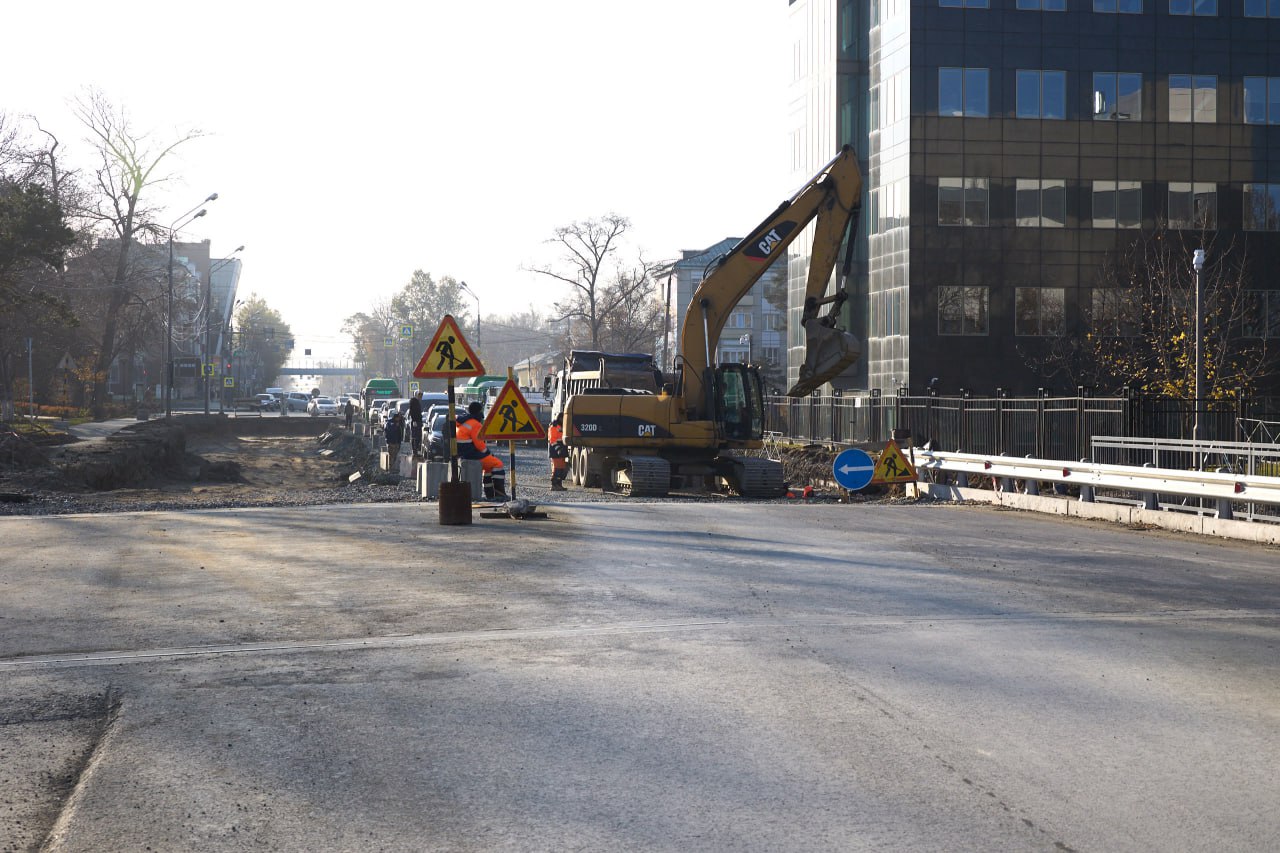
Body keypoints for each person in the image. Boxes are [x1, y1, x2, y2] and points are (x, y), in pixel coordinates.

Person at [454, 401, 506, 499]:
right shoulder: (475, 424)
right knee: (497, 464)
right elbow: (480, 445)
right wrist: (489, 453)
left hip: (464, 454)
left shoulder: (463, 422)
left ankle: (490, 495)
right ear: (478, 412)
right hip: (471, 454)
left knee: (488, 468)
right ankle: (499, 494)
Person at [547, 420, 568, 491]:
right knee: (557, 468)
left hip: (560, 450)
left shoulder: (560, 427)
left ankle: (558, 485)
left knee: (561, 468)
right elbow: (552, 440)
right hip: (556, 451)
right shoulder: (554, 427)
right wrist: (558, 448)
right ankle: (554, 485)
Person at [408, 390, 424, 457]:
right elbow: (413, 412)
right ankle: (414, 450)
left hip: (418, 421)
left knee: (418, 436)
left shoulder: (417, 402)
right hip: (415, 421)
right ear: (416, 395)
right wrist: (414, 420)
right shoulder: (413, 401)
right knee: (415, 436)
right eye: (420, 395)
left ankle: (416, 450)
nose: (421, 397)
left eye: (421, 395)